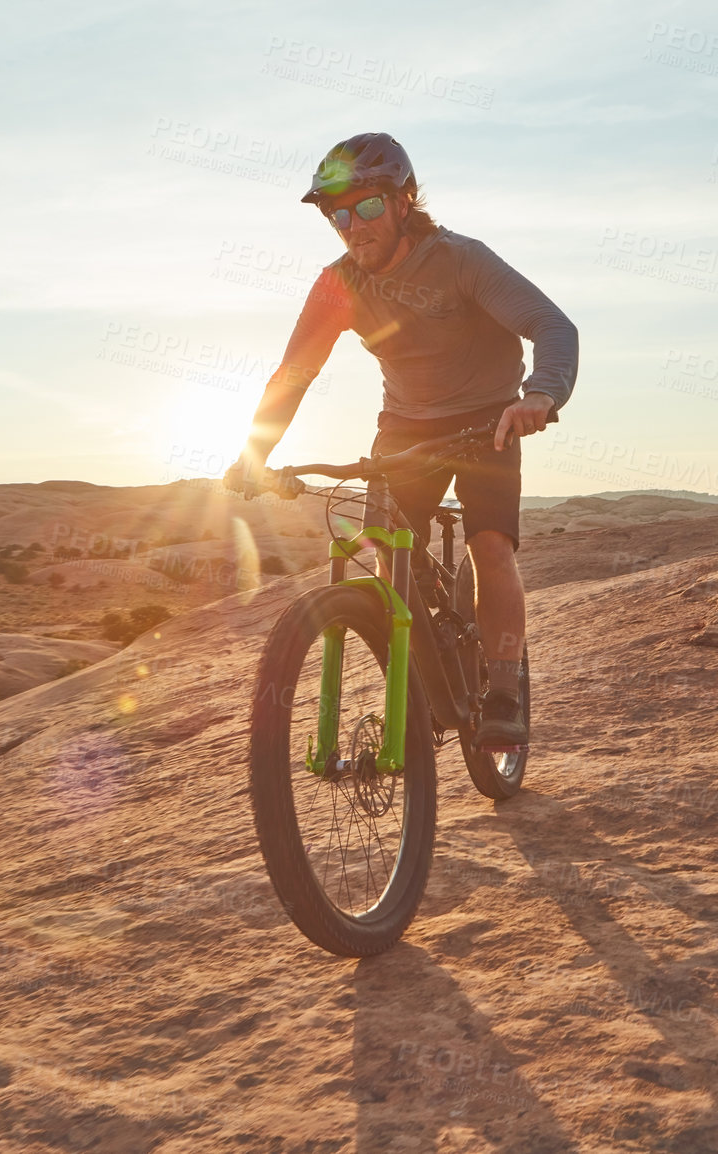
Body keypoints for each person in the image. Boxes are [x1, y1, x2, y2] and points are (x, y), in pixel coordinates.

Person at [224, 133, 578, 748]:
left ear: (404, 200)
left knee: (489, 546)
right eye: (337, 215)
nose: (351, 225)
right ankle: (417, 681)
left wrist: (539, 394)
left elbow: (550, 323)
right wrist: (254, 454)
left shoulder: (461, 260)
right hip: (406, 424)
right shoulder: (338, 284)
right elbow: (295, 373)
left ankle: (501, 689)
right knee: (387, 554)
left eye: (365, 207)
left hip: (487, 418)